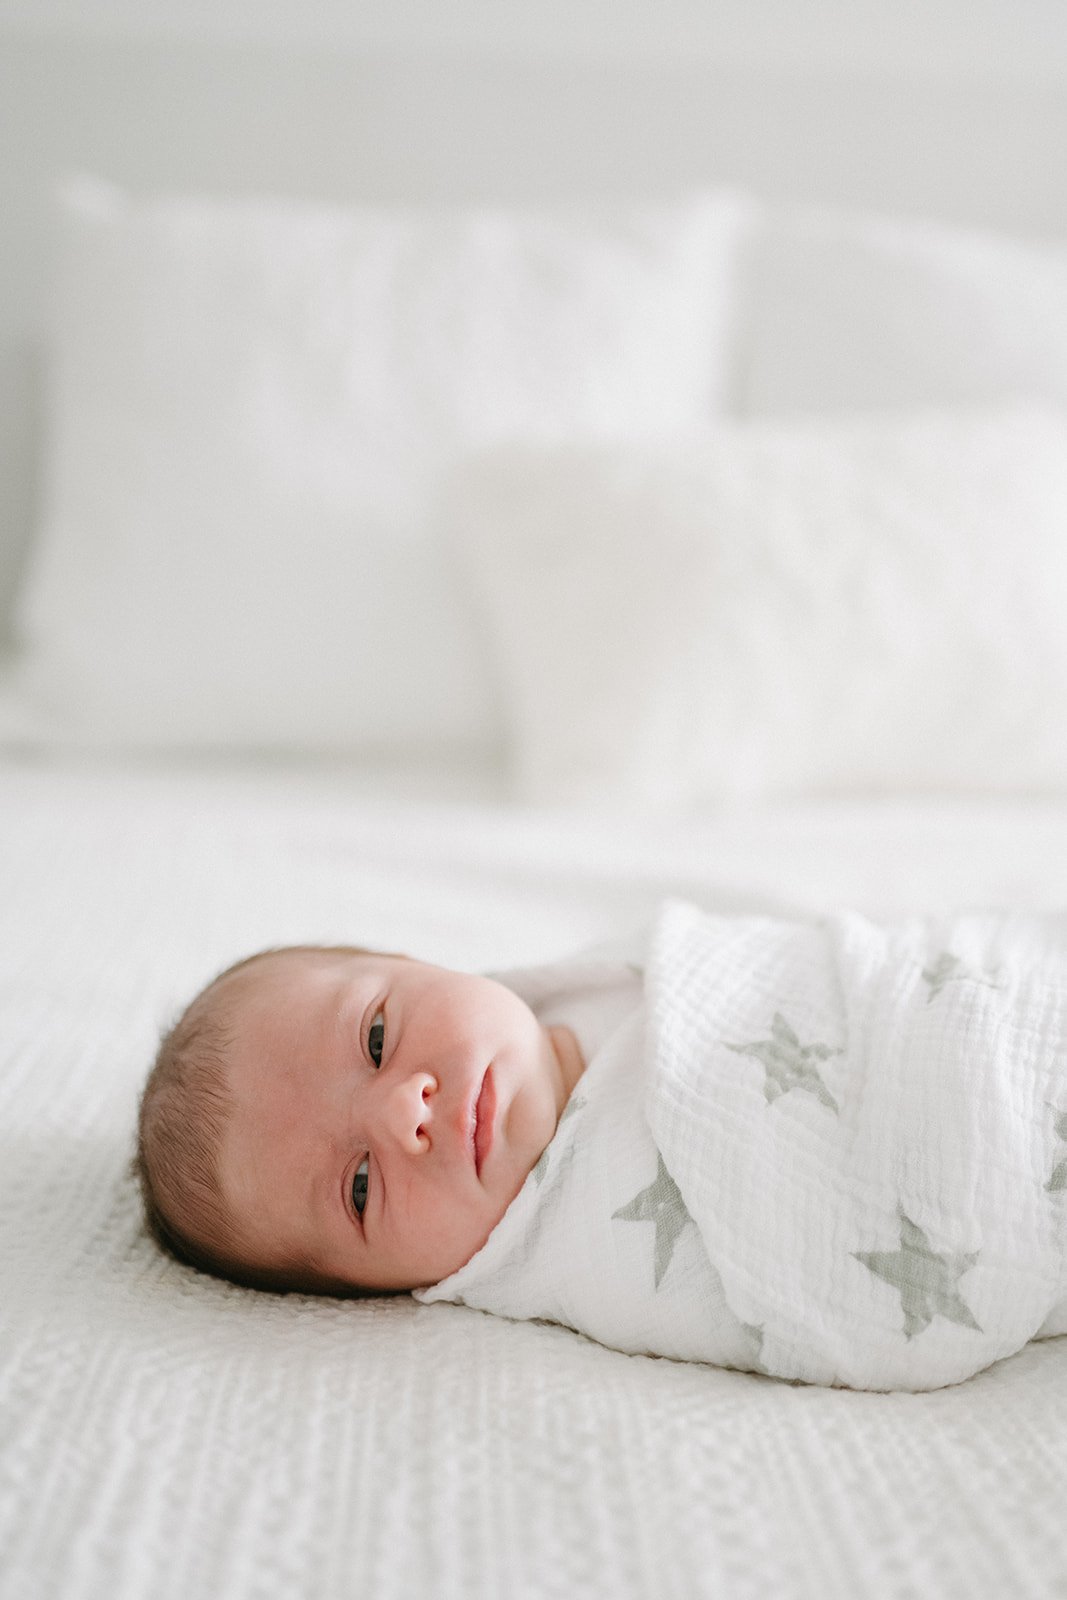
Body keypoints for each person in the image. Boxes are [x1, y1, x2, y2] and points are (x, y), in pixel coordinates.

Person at [137, 905, 1067, 1391]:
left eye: (377, 1039)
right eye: (360, 1185)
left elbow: (831, 964)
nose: (403, 1114)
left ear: (425, 965)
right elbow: (841, 1297)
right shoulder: (590, 1255)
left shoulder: (613, 973)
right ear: (385, 1290)